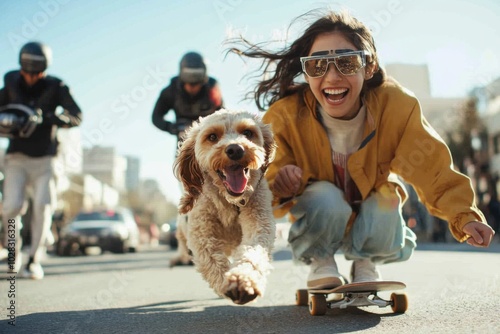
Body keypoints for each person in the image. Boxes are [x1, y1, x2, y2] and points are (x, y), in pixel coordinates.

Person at [228, 9, 495, 289]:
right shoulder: (283, 116)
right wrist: (279, 184)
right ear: (306, 73)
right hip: (320, 217)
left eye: (347, 62)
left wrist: (464, 215)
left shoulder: (396, 106)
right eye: (318, 66)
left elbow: (433, 168)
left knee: (389, 196)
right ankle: (322, 261)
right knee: (325, 197)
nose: (331, 77)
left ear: (368, 68)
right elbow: (258, 184)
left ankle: (365, 263)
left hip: (373, 217)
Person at [0, 41, 82, 279]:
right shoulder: (9, 84)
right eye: (28, 72)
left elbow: (76, 116)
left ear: (45, 69)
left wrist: (47, 118)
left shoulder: (57, 86)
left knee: (43, 206)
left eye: (38, 72)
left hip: (46, 159)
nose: (33, 77)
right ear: (21, 68)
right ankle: (13, 254)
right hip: (16, 157)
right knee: (12, 206)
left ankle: (34, 259)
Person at [151, 51, 223, 266]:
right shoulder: (170, 90)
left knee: (215, 196)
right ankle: (186, 249)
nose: (193, 88)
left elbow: (223, 114)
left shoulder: (213, 88)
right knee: (190, 199)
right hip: (185, 150)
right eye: (189, 85)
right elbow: (156, 117)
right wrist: (172, 127)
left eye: (196, 84)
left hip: (211, 150)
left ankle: (213, 243)